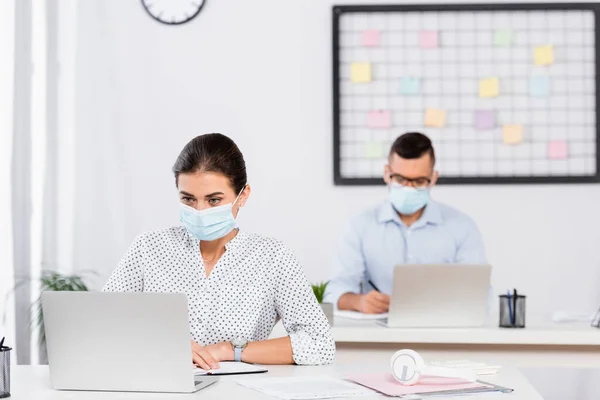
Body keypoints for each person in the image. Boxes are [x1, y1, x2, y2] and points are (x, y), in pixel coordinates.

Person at [103, 133, 335, 369]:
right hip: (158, 385)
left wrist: (230, 349)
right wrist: (161, 344)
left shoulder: (273, 257)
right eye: (189, 199)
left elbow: (320, 344)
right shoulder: (148, 248)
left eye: (213, 200)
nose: (200, 210)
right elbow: (101, 324)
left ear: (242, 196)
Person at [324, 132, 487, 314]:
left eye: (418, 181)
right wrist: (359, 302)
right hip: (377, 337)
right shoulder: (360, 225)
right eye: (400, 179)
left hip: (443, 334)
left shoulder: (461, 227)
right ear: (387, 173)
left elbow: (481, 296)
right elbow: (332, 292)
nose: (409, 188)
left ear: (433, 178)